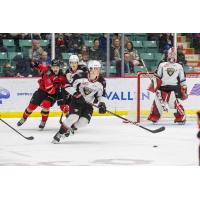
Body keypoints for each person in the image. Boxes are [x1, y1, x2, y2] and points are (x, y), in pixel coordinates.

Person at [52, 60, 106, 143]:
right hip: (77, 101)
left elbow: (101, 95)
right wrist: (76, 94)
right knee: (74, 117)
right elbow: (67, 86)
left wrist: (102, 103)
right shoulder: (80, 76)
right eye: (96, 68)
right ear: (90, 69)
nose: (98, 71)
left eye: (99, 69)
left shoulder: (101, 81)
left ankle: (69, 128)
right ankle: (59, 133)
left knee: (83, 123)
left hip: (88, 104)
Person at [17, 59, 69, 129]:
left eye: (57, 67)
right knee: (31, 107)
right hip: (41, 91)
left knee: (46, 104)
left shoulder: (63, 76)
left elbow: (66, 85)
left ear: (60, 67)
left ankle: (43, 121)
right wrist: (36, 64)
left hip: (52, 94)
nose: (55, 69)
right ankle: (24, 118)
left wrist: (64, 92)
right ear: (51, 67)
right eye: (54, 67)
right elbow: (40, 67)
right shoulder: (46, 69)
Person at [147, 48, 188, 124]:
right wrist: (153, 84)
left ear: (176, 56)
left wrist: (184, 90)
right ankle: (154, 116)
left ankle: (181, 117)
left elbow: (182, 79)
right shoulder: (162, 65)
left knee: (172, 103)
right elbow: (158, 76)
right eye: (170, 54)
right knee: (158, 101)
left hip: (174, 88)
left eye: (174, 54)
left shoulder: (179, 66)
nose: (172, 55)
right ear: (167, 55)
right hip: (162, 87)